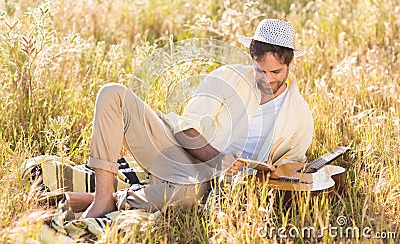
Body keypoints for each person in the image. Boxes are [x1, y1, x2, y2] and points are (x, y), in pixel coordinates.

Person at [67, 19, 314, 218]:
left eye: (276, 72)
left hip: (216, 186)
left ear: (290, 64)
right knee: (112, 93)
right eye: (261, 70)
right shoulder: (226, 78)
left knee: (190, 192)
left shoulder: (299, 114)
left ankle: (113, 199)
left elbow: (291, 168)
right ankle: (101, 199)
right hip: (182, 154)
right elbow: (186, 130)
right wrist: (219, 159)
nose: (268, 78)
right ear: (251, 58)